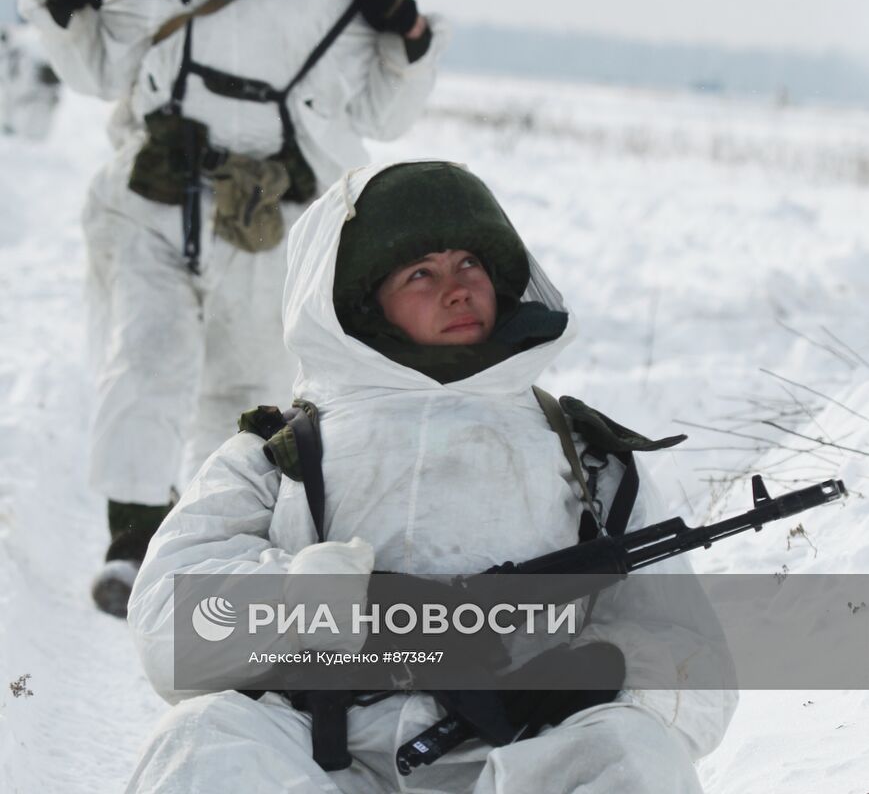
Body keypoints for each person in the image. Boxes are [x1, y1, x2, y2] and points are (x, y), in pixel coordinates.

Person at [124, 160, 737, 793]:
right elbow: (168, 628)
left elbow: (698, 669)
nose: (458, 289)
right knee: (201, 743)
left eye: (470, 263)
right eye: (421, 272)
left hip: (522, 762)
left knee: (633, 754)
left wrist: (598, 675)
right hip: (313, 759)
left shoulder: (587, 457)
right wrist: (318, 601)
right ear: (365, 303)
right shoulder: (279, 451)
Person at [18, 0, 444, 615]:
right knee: (146, 355)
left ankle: (213, 548)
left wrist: (407, 41)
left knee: (244, 392)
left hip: (268, 223)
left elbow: (383, 115)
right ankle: (131, 540)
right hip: (152, 202)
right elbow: (101, 69)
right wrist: (68, 10)